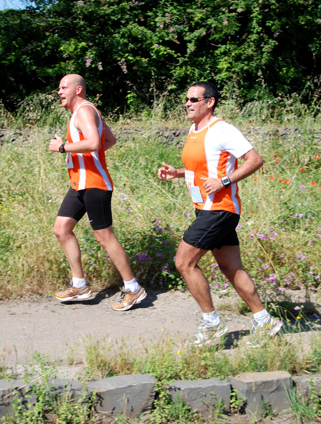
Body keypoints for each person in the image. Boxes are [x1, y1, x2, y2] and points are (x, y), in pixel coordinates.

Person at [158, 80, 282, 347]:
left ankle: (212, 323)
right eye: (187, 99)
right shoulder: (194, 130)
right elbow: (201, 168)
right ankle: (265, 320)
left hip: (220, 209)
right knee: (230, 267)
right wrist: (177, 173)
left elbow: (255, 160)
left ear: (209, 102)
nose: (187, 104)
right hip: (205, 209)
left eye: (194, 100)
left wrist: (225, 181)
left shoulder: (222, 130)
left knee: (183, 262)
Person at [49, 74, 146, 311]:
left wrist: (63, 147)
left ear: (78, 90)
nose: (59, 92)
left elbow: (94, 142)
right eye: (59, 88)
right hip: (79, 184)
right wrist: (82, 155)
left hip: (95, 184)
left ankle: (133, 288)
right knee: (61, 229)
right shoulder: (82, 112)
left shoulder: (83, 111)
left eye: (64, 88)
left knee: (104, 237)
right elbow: (109, 140)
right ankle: (80, 285)